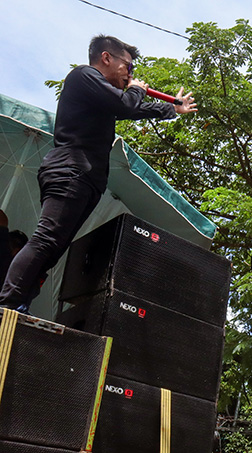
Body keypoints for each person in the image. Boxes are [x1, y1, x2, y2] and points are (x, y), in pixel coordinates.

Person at [0, 35, 197, 314]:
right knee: (46, 239)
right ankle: (6, 303)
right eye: (129, 67)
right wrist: (137, 89)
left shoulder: (104, 97)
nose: (130, 75)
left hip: (86, 180)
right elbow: (127, 104)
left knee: (54, 248)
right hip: (69, 171)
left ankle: (19, 304)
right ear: (106, 58)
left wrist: (171, 109)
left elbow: (132, 108)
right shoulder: (84, 76)